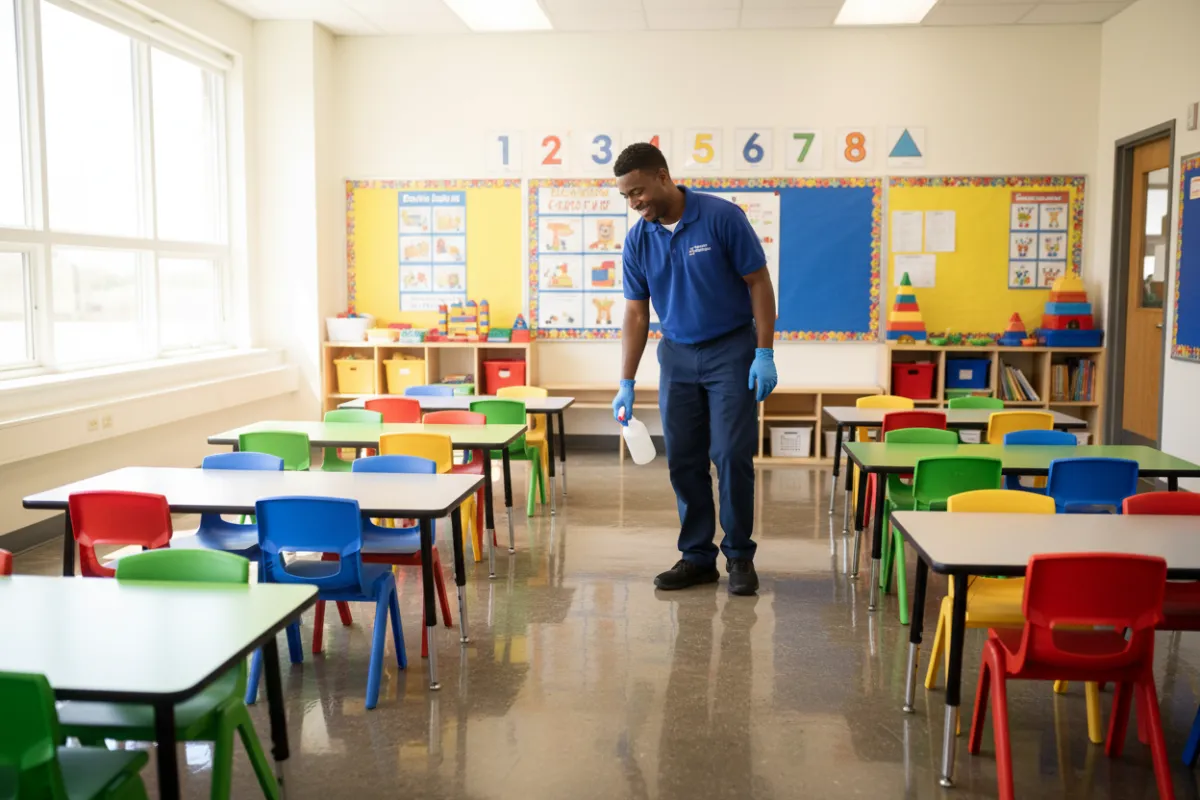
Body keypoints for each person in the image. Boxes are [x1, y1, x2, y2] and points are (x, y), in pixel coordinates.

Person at [611, 143, 778, 596]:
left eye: (639, 191)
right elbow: (637, 314)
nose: (634, 203)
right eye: (627, 197)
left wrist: (765, 352)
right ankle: (697, 557)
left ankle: (739, 556)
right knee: (684, 459)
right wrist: (626, 381)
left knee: (729, 455)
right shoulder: (638, 239)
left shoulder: (721, 217)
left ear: (663, 177)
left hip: (731, 351)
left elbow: (759, 283)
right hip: (678, 356)